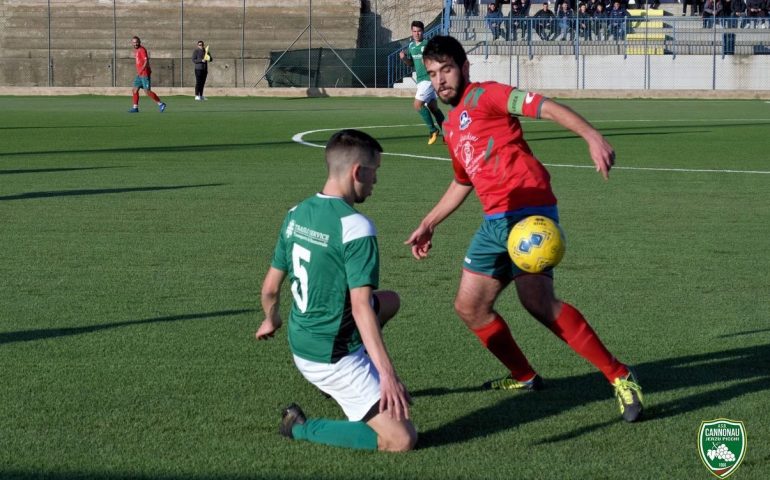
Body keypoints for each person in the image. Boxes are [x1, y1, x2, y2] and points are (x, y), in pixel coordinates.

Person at [405, 35, 644, 423]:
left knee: (537, 302)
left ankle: (621, 376)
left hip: (529, 209)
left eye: (446, 70)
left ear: (464, 68)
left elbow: (545, 108)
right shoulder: (452, 127)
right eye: (432, 74)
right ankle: (525, 376)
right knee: (470, 307)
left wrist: (591, 135)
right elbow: (463, 181)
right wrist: (429, 222)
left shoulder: (488, 96)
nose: (440, 80)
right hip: (495, 221)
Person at [256, 129, 417, 452]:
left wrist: (270, 319)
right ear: (358, 171)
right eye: (374, 173)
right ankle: (299, 427)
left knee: (389, 302)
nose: (375, 182)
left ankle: (355, 378)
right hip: (330, 356)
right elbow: (359, 308)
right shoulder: (356, 226)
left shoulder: (295, 213)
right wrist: (388, 375)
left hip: (301, 339)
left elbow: (271, 287)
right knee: (401, 439)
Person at [399, 21, 446, 145]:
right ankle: (448, 134)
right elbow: (411, 64)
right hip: (421, 81)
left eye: (419, 31)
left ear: (423, 32)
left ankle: (433, 130)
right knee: (433, 107)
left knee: (417, 105)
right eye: (414, 31)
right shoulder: (411, 46)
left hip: (429, 79)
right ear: (411, 32)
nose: (416, 33)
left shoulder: (429, 44)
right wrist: (404, 58)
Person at [128, 36, 166, 113]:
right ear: (132, 43)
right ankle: (135, 108)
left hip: (144, 74)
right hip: (140, 74)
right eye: (134, 42)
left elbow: (146, 61)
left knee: (147, 92)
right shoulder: (136, 50)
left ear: (139, 42)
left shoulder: (142, 50)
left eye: (137, 42)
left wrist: (142, 69)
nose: (135, 44)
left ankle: (161, 104)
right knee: (134, 90)